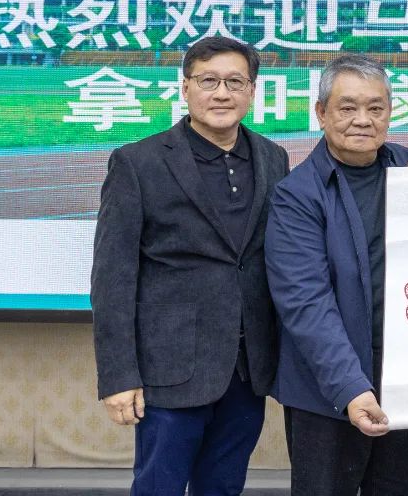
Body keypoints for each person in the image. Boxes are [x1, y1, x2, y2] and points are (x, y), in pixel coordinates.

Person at [90, 36, 290, 496]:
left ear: (252, 91)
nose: (222, 93)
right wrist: (118, 377)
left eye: (235, 82)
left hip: (247, 371)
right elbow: (112, 279)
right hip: (170, 370)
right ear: (185, 88)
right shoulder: (137, 163)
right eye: (208, 81)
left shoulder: (272, 157)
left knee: (223, 488)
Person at [265, 54, 408, 496]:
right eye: (348, 108)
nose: (363, 120)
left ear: (390, 112)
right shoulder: (296, 195)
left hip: (405, 383)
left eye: (376, 108)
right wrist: (351, 388)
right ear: (321, 113)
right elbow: (306, 304)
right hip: (327, 391)